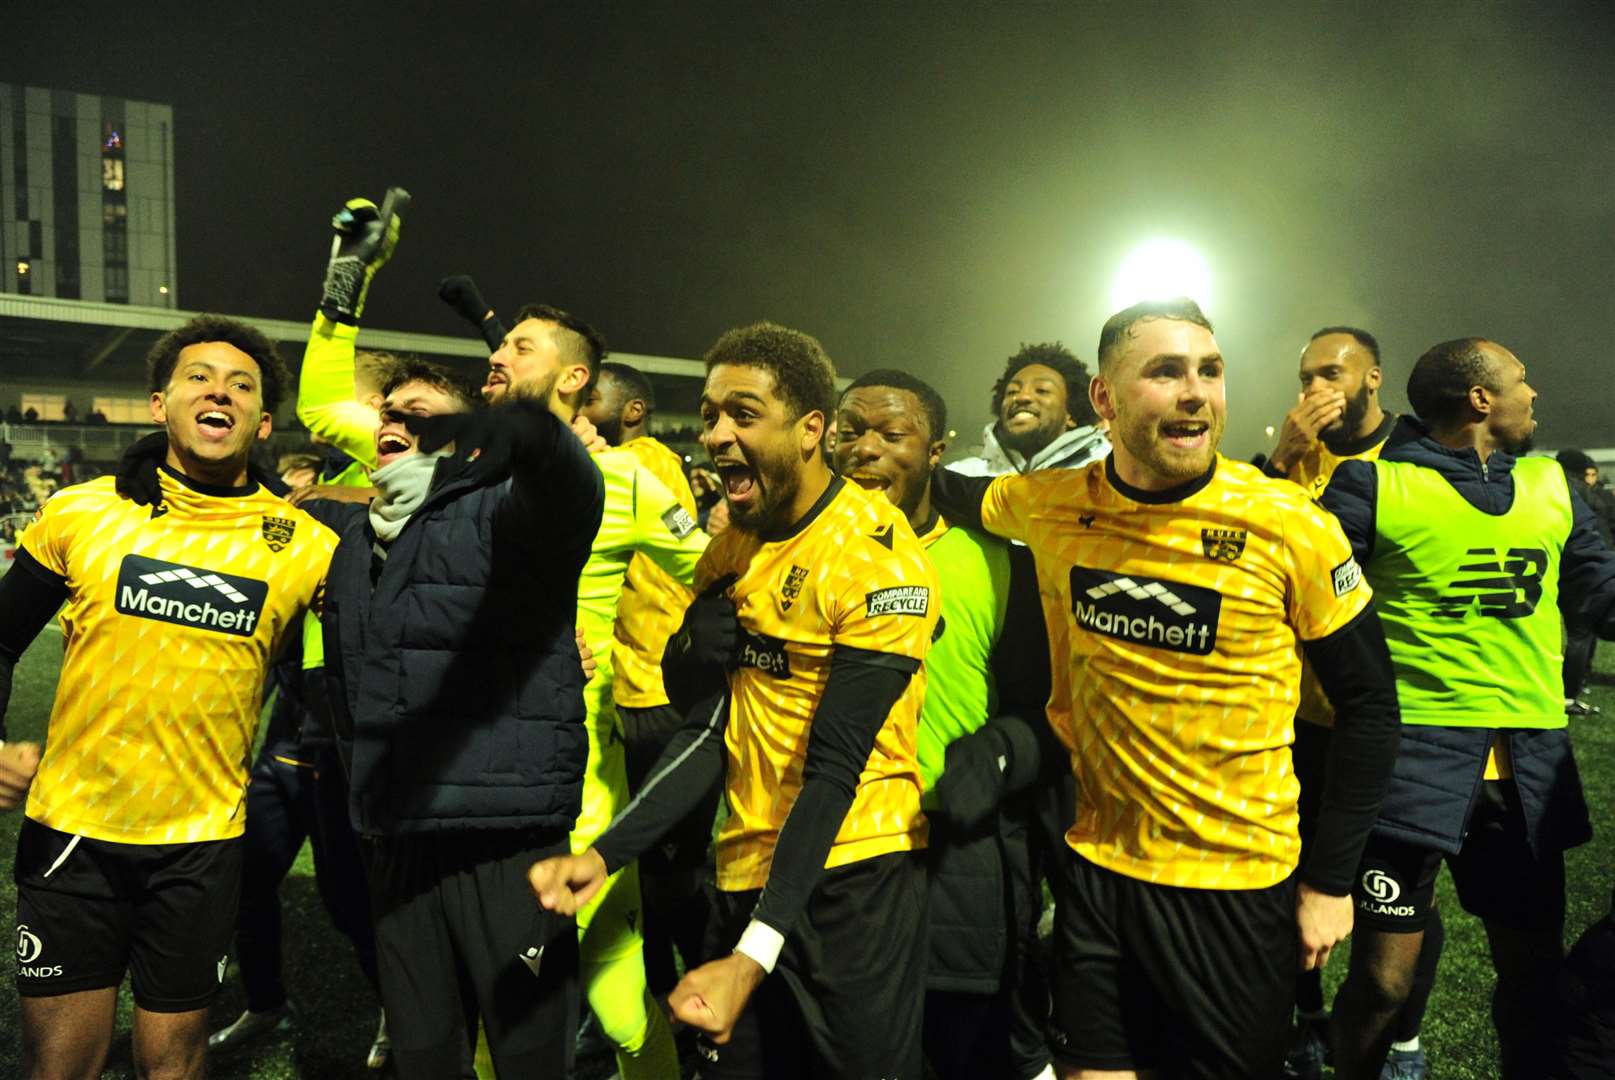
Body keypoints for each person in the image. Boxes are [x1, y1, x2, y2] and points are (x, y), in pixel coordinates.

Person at [930, 296, 1403, 1079]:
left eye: (1209, 372)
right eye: (1165, 372)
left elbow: (1369, 707)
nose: (1195, 392)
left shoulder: (1290, 525)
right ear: (1105, 401)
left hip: (1234, 885)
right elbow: (945, 489)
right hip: (1098, 869)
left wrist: (1328, 882)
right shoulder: (1051, 503)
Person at [532, 321, 941, 1079]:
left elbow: (835, 767)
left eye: (743, 415)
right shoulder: (732, 547)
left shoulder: (878, 559)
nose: (717, 435)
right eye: (712, 412)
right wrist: (604, 855)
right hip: (743, 865)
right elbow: (710, 726)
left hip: (852, 879)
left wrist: (753, 955)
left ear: (810, 429)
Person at [0, 315, 338, 1080]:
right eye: (199, 376)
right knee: (59, 1069)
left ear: (263, 421)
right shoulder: (85, 511)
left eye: (242, 385)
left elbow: (383, 651)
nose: (219, 390)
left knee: (173, 1069)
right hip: (74, 834)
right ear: (160, 404)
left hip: (202, 846)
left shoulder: (309, 547)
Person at [1323, 338, 1615, 1080]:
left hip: (1526, 772)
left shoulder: (1553, 484)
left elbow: (1602, 590)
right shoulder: (1371, 486)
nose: (1533, 395)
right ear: (1479, 398)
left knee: (1531, 976)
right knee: (1384, 985)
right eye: (1521, 380)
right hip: (1407, 771)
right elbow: (1307, 603)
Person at [489, 320, 701, 1080]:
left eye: (519, 347)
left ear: (574, 377)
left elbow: (715, 568)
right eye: (499, 344)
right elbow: (323, 413)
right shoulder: (464, 463)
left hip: (582, 782)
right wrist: (342, 294)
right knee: (497, 999)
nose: (495, 356)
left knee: (618, 1006)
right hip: (476, 778)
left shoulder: (629, 481)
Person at [832, 368, 1057, 1079]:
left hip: (951, 855)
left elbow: (1048, 714)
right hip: (831, 853)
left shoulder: (997, 566)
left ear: (936, 453)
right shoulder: (796, 554)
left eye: (891, 434)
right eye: (850, 432)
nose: (865, 449)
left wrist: (995, 753)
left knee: (956, 1050)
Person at [1261, 327, 1434, 1080]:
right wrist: (1279, 464)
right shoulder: (1297, 458)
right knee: (1285, 881)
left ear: (1374, 377)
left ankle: (1399, 1037)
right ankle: (1305, 1018)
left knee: (1398, 893)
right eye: (1304, 376)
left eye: (1331, 372)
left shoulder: (1413, 456)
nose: (1315, 388)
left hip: (1389, 717)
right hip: (1298, 718)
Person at [580, 362, 716, 1012]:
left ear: (631, 409)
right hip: (627, 693)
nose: (580, 401)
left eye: (593, 393)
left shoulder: (644, 463)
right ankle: (652, 989)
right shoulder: (618, 462)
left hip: (655, 699)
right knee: (641, 865)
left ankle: (699, 996)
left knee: (669, 871)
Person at [949, 341, 1110, 477]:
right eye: (1012, 391)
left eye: (1041, 390)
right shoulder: (961, 478)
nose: (1021, 398)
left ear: (1071, 415)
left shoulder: (1109, 473)